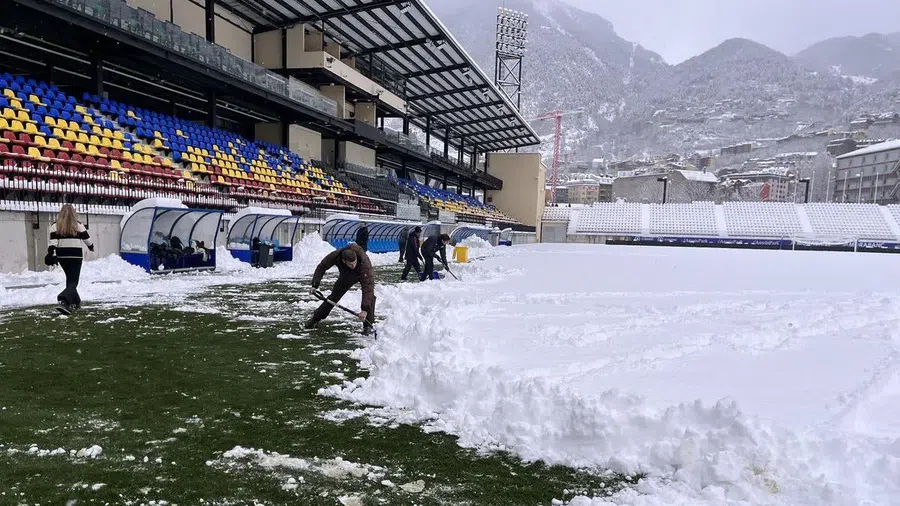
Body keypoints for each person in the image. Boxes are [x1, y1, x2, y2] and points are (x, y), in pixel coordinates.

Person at [305, 243, 376, 335]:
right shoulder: (336, 256)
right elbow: (322, 267)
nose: (353, 266)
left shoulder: (364, 262)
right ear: (344, 261)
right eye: (350, 264)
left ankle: (367, 326)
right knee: (333, 297)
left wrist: (364, 309)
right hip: (346, 276)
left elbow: (368, 287)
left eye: (354, 263)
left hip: (362, 274)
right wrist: (315, 285)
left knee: (370, 297)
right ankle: (316, 318)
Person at [45, 204, 94, 314]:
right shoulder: (78, 225)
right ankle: (63, 299)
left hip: (62, 256)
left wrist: (51, 254)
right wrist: (91, 247)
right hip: (75, 255)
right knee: (74, 281)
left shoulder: (55, 225)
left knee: (70, 279)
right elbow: (87, 239)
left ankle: (75, 302)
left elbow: (53, 243)